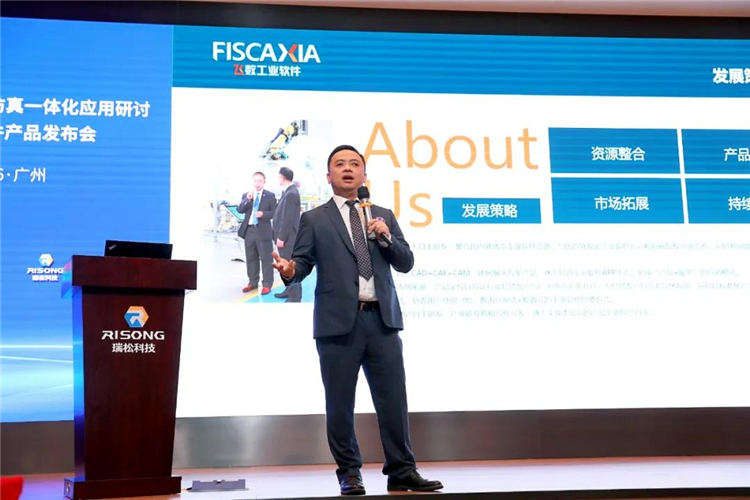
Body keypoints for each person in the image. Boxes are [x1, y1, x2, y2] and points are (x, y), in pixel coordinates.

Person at [272, 145, 443, 495]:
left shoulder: (382, 214)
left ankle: (402, 471)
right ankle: (349, 473)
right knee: (340, 403)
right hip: (337, 324)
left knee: (393, 401)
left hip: (382, 322)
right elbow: (301, 264)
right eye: (340, 164)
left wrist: (386, 238)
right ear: (329, 176)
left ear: (365, 175)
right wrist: (289, 271)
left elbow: (406, 262)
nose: (348, 169)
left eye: (354, 164)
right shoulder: (315, 219)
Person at [237, 171, 277, 295]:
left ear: (264, 182)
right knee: (251, 258)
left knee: (266, 258)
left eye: (260, 181)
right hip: (249, 231)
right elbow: (240, 209)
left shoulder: (270, 196)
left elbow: (275, 212)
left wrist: (263, 214)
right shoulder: (247, 195)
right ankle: (253, 282)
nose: (257, 183)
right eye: (255, 180)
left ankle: (267, 284)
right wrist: (247, 200)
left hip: (263, 231)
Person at [272, 166, 302, 302]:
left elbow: (287, 219)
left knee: (289, 265)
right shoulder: (288, 192)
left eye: (279, 177)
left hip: (288, 238)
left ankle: (295, 296)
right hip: (286, 237)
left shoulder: (291, 194)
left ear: (283, 178)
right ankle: (288, 290)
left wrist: (281, 237)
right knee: (284, 264)